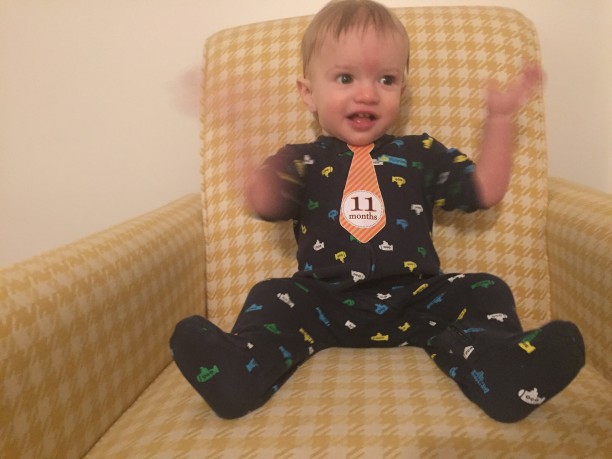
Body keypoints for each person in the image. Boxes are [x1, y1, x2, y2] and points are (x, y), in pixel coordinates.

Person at [170, 0, 585, 422]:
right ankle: (240, 372)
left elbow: (485, 191)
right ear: (308, 93)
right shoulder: (301, 159)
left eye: (386, 79)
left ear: (401, 90)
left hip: (415, 300)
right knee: (268, 295)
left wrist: (500, 119)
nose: (367, 93)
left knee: (485, 289)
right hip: (322, 302)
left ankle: (500, 372)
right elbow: (263, 202)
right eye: (345, 78)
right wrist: (237, 127)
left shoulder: (421, 152)